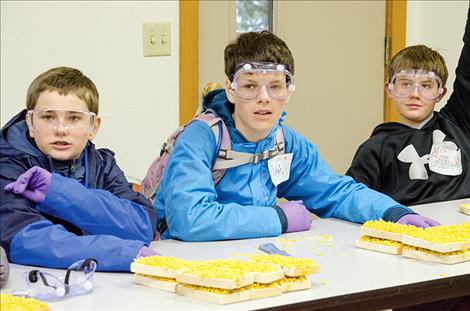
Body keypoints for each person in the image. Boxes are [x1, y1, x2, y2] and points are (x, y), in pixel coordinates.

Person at [153, 31, 439, 242]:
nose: (263, 98)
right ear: (231, 89)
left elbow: (335, 192)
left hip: (253, 256)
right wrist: (278, 218)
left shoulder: (284, 142)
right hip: (190, 263)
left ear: (289, 91)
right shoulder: (201, 138)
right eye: (250, 85)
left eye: (276, 86)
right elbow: (189, 219)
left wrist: (393, 213)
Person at [0, 67, 158, 271]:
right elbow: (21, 239)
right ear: (30, 123)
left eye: (74, 118)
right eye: (48, 117)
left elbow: (141, 226)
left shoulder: (102, 164)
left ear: (93, 126)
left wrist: (57, 191)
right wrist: (119, 253)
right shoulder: (9, 165)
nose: (61, 129)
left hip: (102, 288)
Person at [346, 7, 469, 206]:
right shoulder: (376, 148)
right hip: (407, 230)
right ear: (390, 89)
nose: (414, 94)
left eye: (427, 85)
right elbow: (352, 200)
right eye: (405, 84)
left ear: (441, 93)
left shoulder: (458, 125)